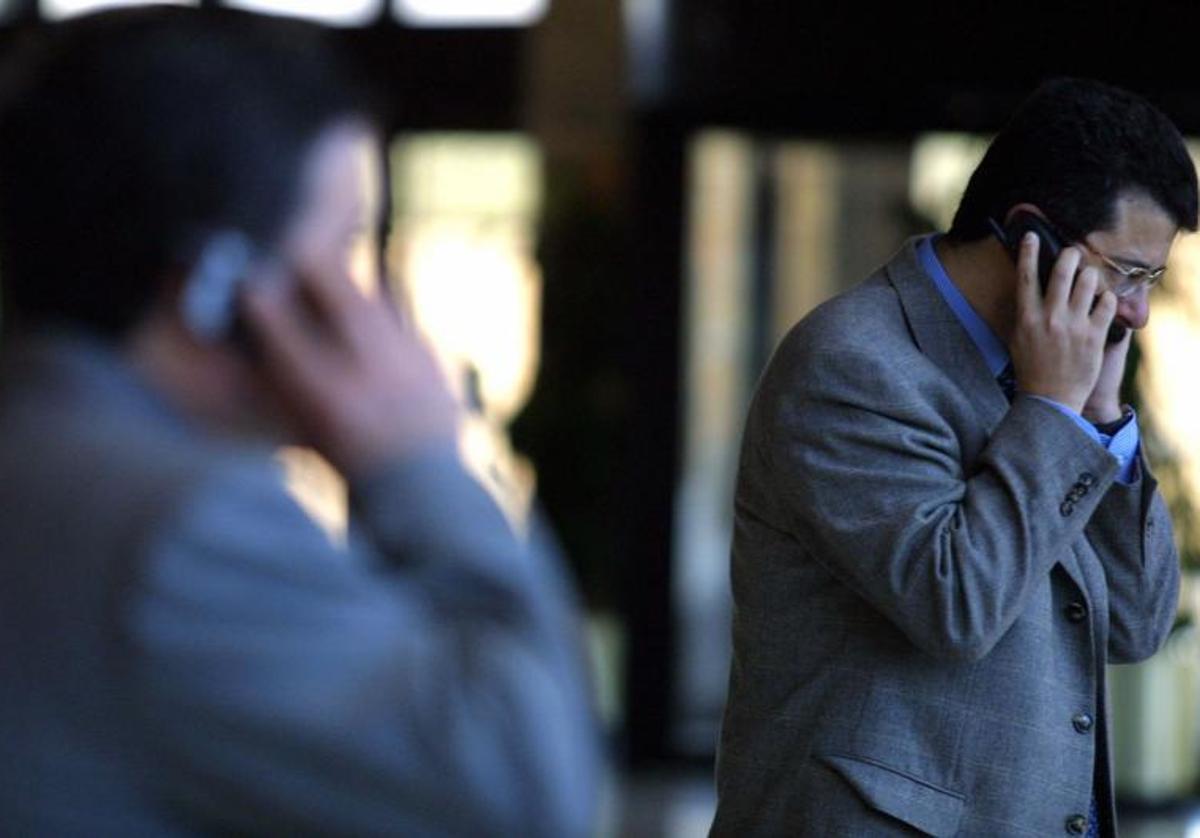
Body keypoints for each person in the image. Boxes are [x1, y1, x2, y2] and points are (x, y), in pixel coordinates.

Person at [0, 8, 598, 836]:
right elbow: (528, 795)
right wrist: (420, 459)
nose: (369, 305)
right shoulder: (192, 530)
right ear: (214, 290)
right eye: (345, 246)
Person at [712, 78, 1196, 837]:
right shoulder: (851, 365)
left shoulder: (1056, 378)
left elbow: (1135, 626)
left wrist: (1100, 419)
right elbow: (957, 606)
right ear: (1029, 236)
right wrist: (1053, 414)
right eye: (1126, 273)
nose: (1135, 310)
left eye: (1151, 280)